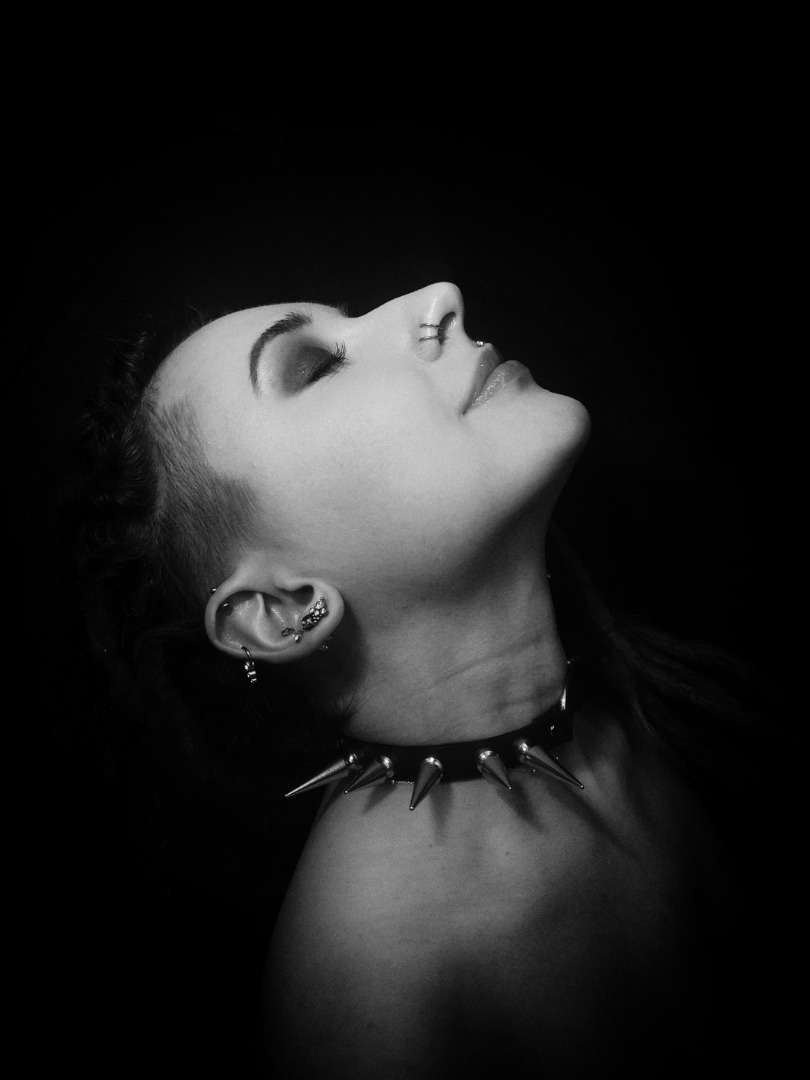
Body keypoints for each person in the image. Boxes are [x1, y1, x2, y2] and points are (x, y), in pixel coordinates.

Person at [65, 282, 777, 1078]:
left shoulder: (656, 712)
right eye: (319, 366)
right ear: (283, 610)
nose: (440, 297)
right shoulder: (371, 1003)